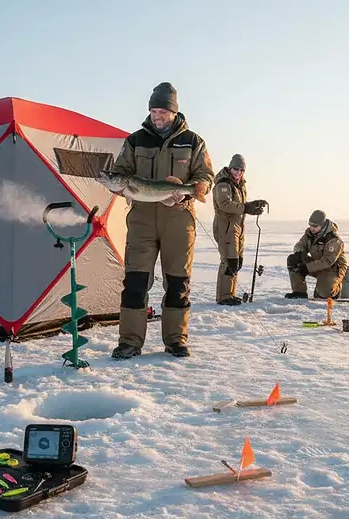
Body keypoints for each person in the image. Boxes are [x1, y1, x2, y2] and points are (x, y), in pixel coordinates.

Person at [109, 82, 214, 359]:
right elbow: (120, 171)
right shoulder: (134, 141)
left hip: (179, 219)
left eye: (161, 112)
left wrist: (190, 189)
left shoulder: (193, 141)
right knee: (135, 282)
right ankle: (130, 341)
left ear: (173, 112)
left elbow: (206, 176)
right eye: (153, 111)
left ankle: (176, 339)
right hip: (142, 219)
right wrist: (116, 184)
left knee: (178, 282)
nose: (156, 116)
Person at [212, 154, 268, 305]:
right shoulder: (223, 184)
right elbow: (225, 204)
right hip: (226, 227)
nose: (238, 172)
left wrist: (252, 205)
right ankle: (224, 296)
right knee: (229, 261)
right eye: (235, 169)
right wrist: (246, 208)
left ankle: (230, 292)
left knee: (237, 262)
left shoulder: (240, 184)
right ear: (230, 168)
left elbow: (240, 205)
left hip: (238, 227)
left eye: (241, 170)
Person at [286, 210, 348, 299]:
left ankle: (336, 288)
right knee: (293, 259)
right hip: (317, 263)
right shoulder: (309, 234)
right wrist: (300, 253)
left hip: (333, 268)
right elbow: (299, 245)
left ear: (322, 225)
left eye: (315, 226)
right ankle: (299, 292)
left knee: (324, 293)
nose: (312, 228)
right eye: (310, 225)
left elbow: (327, 261)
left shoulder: (333, 239)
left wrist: (307, 267)